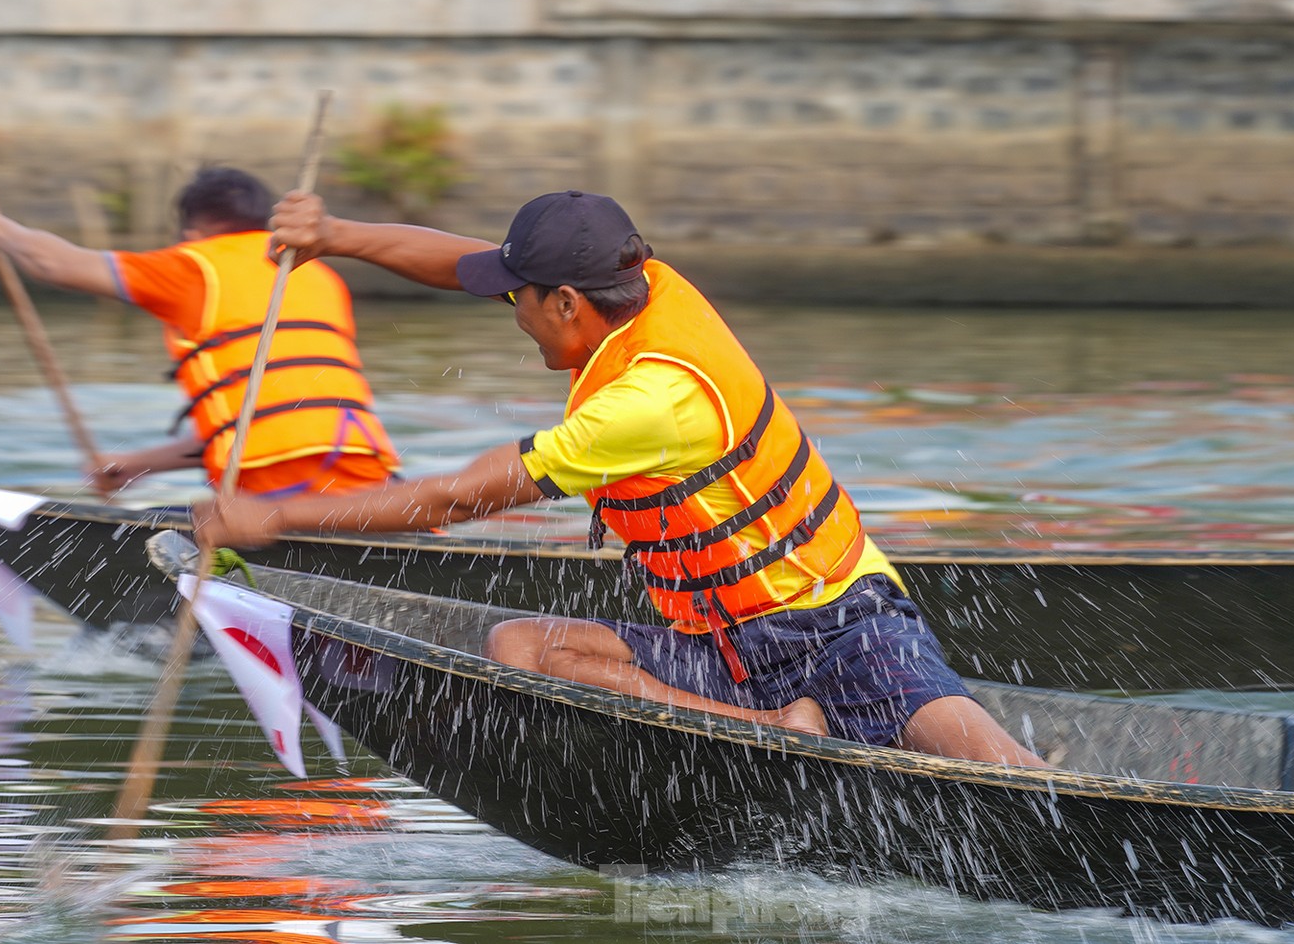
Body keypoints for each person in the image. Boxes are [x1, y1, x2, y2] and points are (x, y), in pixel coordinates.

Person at [195, 189, 1046, 767]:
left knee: (1018, 783)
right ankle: (775, 731)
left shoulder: (647, 401)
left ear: (565, 302)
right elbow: (463, 264)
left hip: (844, 622)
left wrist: (270, 520)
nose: (511, 313)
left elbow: (457, 499)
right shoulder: (634, 283)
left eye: (519, 299)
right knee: (522, 649)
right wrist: (333, 237)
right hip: (730, 652)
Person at [0, 159, 401, 499]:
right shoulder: (316, 272)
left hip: (279, 489)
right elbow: (265, 416)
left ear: (191, 232)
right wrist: (139, 465)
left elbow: (54, 262)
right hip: (370, 484)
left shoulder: (194, 266)